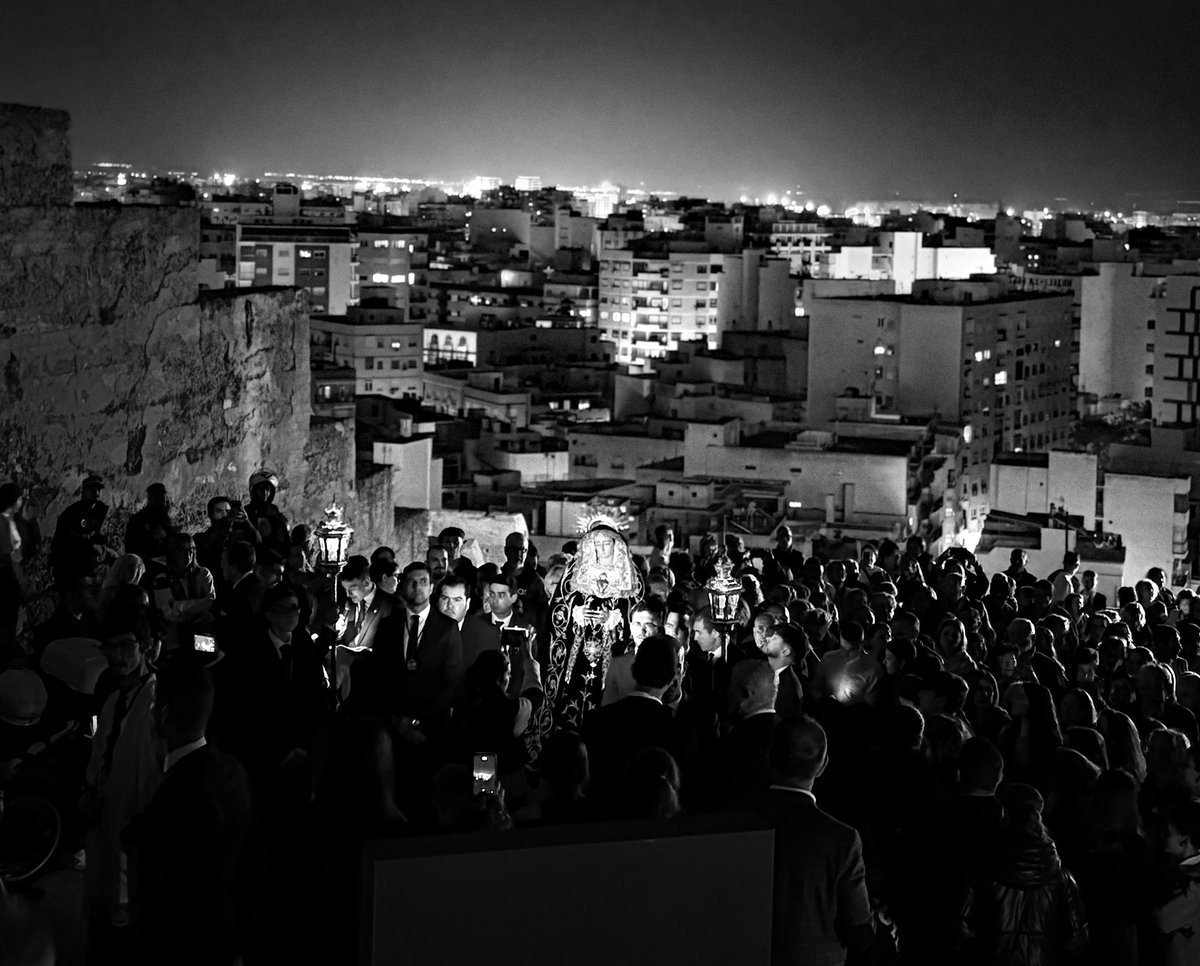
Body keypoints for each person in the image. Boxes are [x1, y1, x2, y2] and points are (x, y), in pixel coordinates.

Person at [122, 652, 255, 966]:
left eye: (154, 705)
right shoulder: (233, 772)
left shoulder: (166, 806)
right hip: (230, 939)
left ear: (163, 714)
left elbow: (153, 911)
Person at [751, 716, 874, 966]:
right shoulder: (840, 839)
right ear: (822, 765)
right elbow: (858, 930)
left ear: (769, 756)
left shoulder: (734, 820)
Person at [83, 609, 162, 962]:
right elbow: (100, 758)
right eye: (109, 648)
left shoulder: (157, 702)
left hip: (137, 830)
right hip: (108, 825)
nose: (116, 656)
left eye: (124, 646)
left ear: (145, 648)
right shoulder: (115, 701)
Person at [960, 783, 1087, 965]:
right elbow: (1076, 935)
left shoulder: (985, 870)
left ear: (1004, 813)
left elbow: (962, 927)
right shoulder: (1060, 876)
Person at [582, 633, 680, 811]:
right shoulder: (678, 729)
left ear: (634, 669)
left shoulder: (596, 721)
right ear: (672, 677)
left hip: (604, 822)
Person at [124, 483, 174, 568]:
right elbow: (132, 546)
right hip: (146, 563)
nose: (162, 499)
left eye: (163, 496)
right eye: (158, 496)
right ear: (150, 498)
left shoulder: (164, 517)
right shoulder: (139, 519)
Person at [245, 469, 290, 557]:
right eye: (261, 488)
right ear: (254, 490)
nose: (265, 493)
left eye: (268, 489)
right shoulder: (246, 512)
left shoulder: (275, 512)